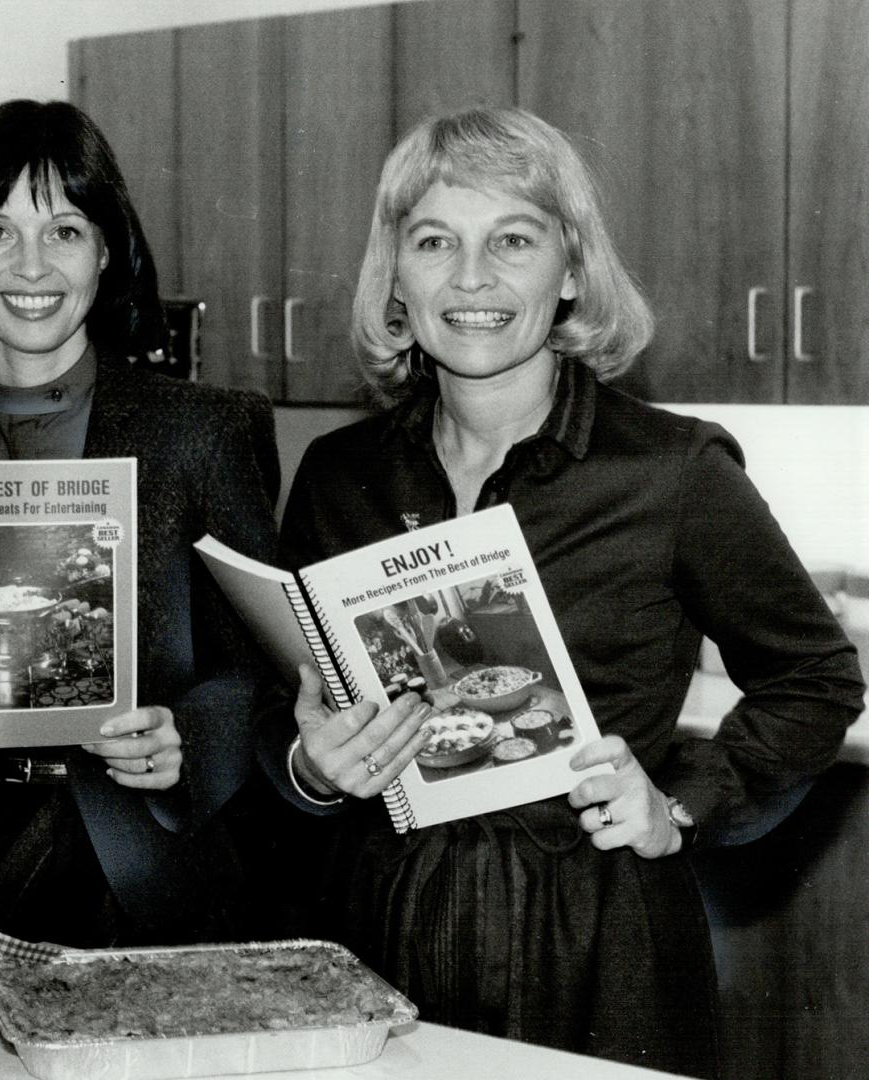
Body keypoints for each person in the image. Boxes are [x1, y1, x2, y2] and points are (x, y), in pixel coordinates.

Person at [260, 106, 864, 1077]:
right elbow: (277, 710)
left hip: (593, 935)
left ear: (571, 271)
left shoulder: (670, 473)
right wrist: (311, 770)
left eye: (511, 239)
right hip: (372, 922)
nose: (470, 278)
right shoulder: (339, 474)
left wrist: (679, 804)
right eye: (432, 241)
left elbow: (815, 678)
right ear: (394, 280)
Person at [0, 100, 281, 947]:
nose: (31, 266)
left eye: (65, 231)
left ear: (107, 250)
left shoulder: (204, 430)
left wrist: (186, 737)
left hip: (137, 864)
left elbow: (263, 669)